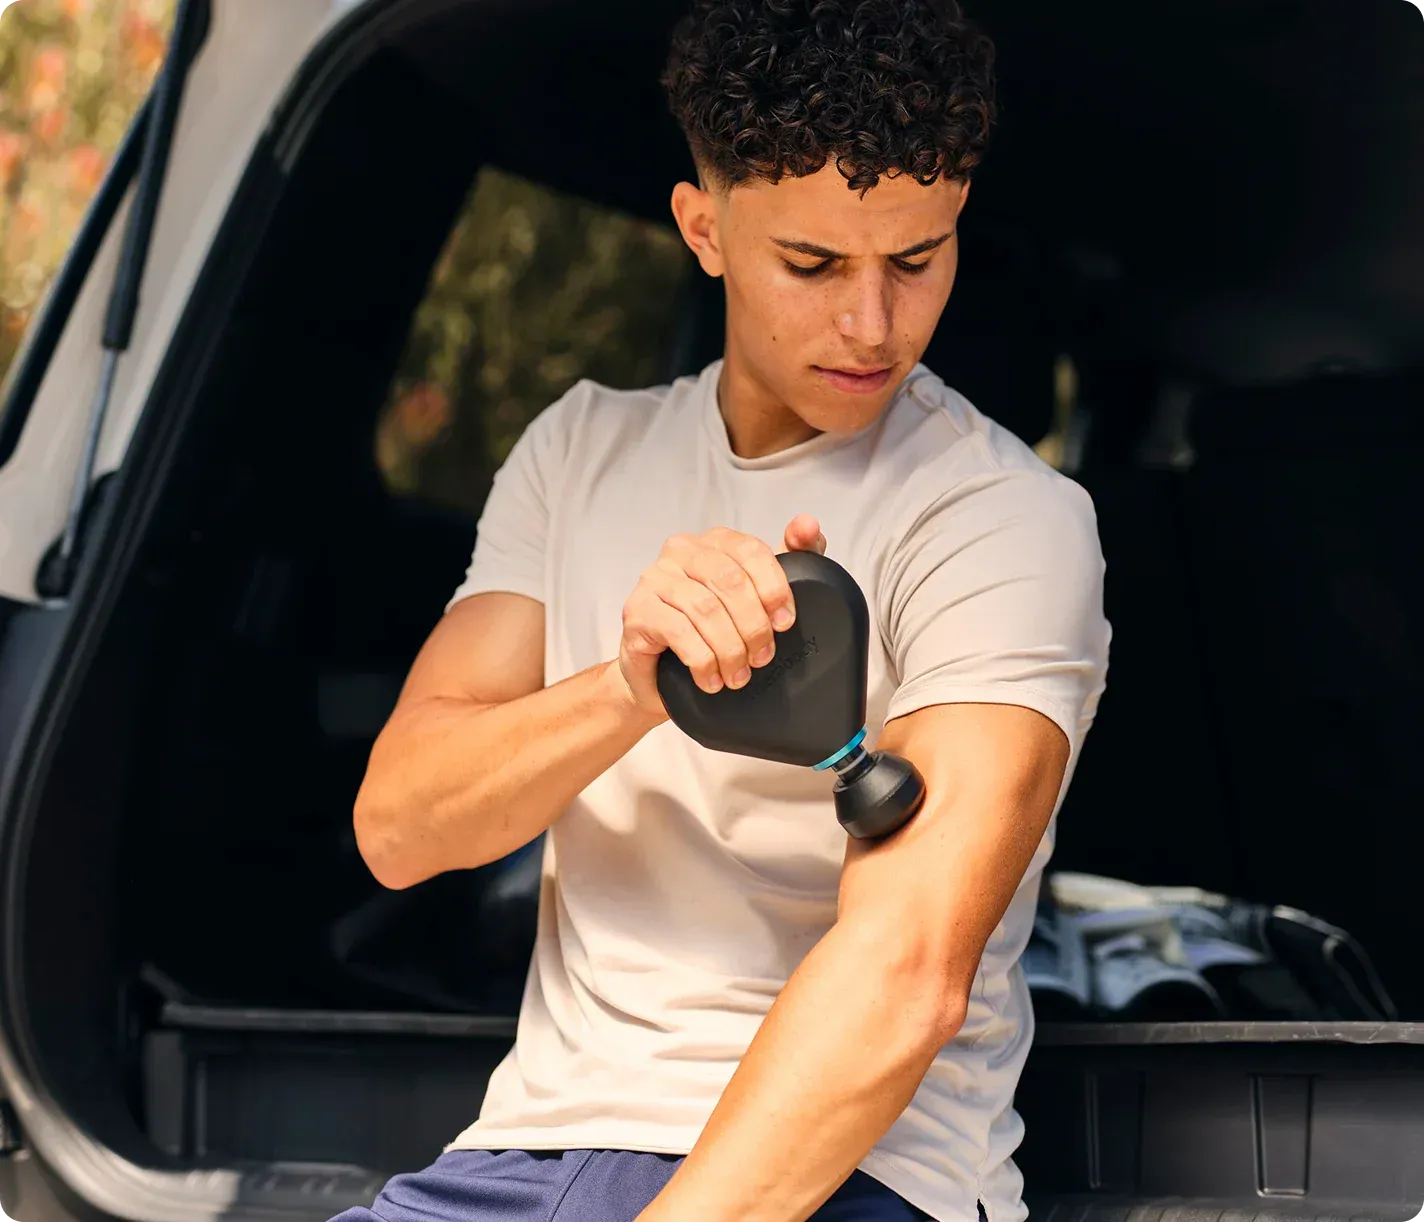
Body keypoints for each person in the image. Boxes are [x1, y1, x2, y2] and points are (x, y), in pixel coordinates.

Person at [335, 0, 1109, 1218]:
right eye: (813, 264)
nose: (872, 325)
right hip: (522, 1153)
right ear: (704, 229)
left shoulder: (1003, 518)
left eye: (916, 261)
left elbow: (903, 977)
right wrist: (630, 686)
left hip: (843, 1173)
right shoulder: (577, 452)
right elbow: (400, 828)